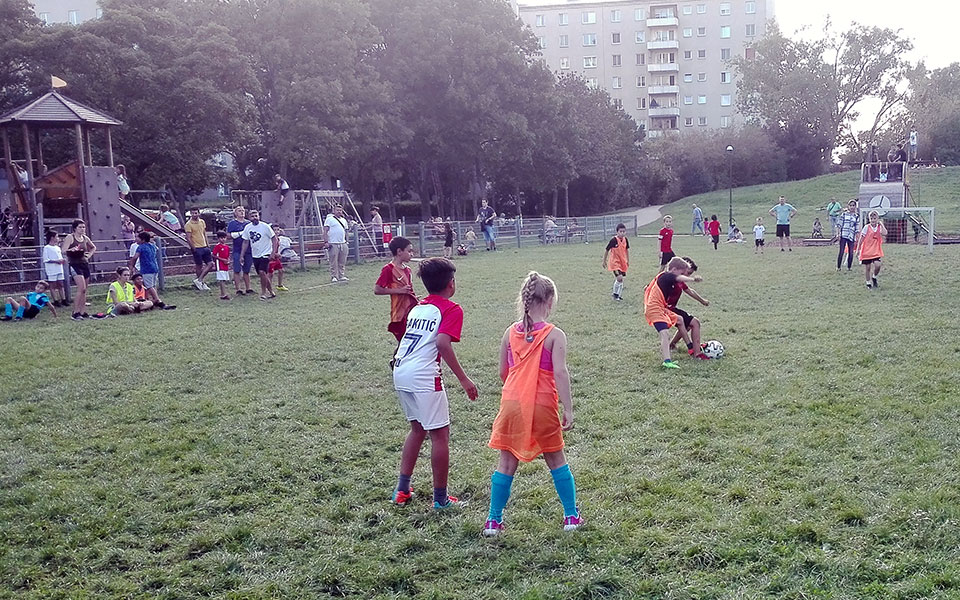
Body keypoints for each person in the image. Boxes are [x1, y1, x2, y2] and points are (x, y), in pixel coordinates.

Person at [483, 271, 582, 536]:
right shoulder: (554, 335)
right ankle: (571, 516)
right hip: (542, 405)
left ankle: (493, 520)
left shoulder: (509, 332)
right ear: (549, 301)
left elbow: (503, 372)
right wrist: (568, 408)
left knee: (505, 464)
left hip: (512, 404)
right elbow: (560, 373)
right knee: (556, 459)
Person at [390, 257, 478, 510]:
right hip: (423, 375)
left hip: (401, 371)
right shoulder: (451, 309)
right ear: (451, 284)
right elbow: (441, 343)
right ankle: (440, 500)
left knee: (417, 430)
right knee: (440, 435)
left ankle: (402, 490)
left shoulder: (418, 307)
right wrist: (464, 379)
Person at [643, 256, 702, 369]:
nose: (684, 275)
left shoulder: (665, 277)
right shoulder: (667, 276)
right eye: (682, 273)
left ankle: (690, 347)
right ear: (674, 269)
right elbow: (679, 278)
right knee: (665, 334)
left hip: (661, 308)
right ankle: (667, 361)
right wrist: (693, 279)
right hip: (654, 309)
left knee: (679, 319)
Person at [374, 236, 418, 342]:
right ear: (399, 251)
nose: (412, 254)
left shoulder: (408, 270)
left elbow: (408, 290)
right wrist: (399, 291)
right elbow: (377, 289)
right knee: (403, 343)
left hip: (411, 312)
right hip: (399, 314)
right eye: (409, 251)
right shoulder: (388, 269)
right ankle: (395, 359)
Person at [667, 257, 711, 360]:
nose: (687, 275)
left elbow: (689, 291)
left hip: (670, 308)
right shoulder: (670, 278)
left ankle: (672, 344)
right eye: (687, 272)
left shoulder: (679, 280)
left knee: (687, 325)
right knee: (695, 323)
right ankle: (697, 353)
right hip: (665, 309)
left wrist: (702, 301)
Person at [240, 209, 279, 300]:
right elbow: (245, 242)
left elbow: (274, 239)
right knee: (262, 274)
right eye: (253, 216)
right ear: (249, 218)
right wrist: (242, 255)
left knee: (262, 272)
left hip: (265, 253)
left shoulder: (265, 226)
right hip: (255, 254)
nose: (255, 218)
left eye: (256, 216)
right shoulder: (248, 228)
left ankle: (263, 293)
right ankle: (271, 291)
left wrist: (273, 252)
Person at [61, 219, 96, 321]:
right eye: (80, 227)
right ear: (75, 228)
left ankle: (82, 311)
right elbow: (63, 250)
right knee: (81, 288)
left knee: (85, 290)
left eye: (83, 227)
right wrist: (71, 250)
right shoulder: (70, 237)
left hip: (84, 263)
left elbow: (93, 247)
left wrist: (89, 255)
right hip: (74, 264)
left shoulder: (85, 238)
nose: (82, 229)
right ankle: (75, 312)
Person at [128, 231, 170, 309]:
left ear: (143, 239)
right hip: (155, 267)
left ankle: (158, 301)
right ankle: (152, 300)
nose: (136, 239)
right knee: (153, 285)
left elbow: (135, 257)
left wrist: (131, 265)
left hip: (146, 269)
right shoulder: (152, 246)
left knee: (149, 286)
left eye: (138, 237)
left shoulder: (141, 247)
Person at [226, 206, 253, 295]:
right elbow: (228, 236)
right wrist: (239, 234)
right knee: (237, 269)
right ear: (235, 213)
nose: (242, 212)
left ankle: (248, 288)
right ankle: (238, 289)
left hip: (248, 250)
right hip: (237, 249)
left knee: (247, 269)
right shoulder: (232, 223)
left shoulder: (249, 223)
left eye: (243, 211)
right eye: (239, 211)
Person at [184, 208, 213, 291]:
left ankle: (199, 280)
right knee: (199, 265)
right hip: (197, 247)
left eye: (195, 213)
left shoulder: (202, 222)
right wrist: (193, 248)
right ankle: (200, 282)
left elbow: (204, 233)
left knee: (210, 264)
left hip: (204, 246)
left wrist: (207, 244)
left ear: (199, 213)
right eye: (192, 213)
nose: (194, 215)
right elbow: (188, 237)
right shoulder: (188, 224)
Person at [857, 210, 887, 290]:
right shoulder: (866, 227)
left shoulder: (879, 227)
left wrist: (882, 224)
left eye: (875, 218)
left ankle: (874, 277)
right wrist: (858, 249)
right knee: (868, 267)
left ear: (877, 218)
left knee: (878, 265)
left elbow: (885, 233)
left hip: (876, 250)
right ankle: (868, 283)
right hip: (867, 250)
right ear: (869, 219)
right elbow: (861, 238)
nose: (873, 220)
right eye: (871, 218)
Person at [602, 223, 629, 301]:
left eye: (624, 231)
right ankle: (615, 294)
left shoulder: (625, 240)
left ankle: (618, 295)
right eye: (620, 231)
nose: (622, 233)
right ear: (617, 232)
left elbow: (627, 250)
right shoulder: (613, 240)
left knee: (621, 279)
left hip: (622, 262)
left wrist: (627, 260)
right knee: (619, 278)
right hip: (614, 263)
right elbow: (607, 250)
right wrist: (604, 261)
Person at [323, 204, 349, 283]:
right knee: (333, 260)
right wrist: (326, 241)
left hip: (342, 242)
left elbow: (346, 231)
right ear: (334, 211)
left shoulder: (344, 220)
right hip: (333, 243)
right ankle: (334, 276)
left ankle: (341, 275)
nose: (339, 212)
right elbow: (325, 231)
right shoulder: (329, 219)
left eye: (340, 210)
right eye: (337, 210)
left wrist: (347, 241)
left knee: (342, 260)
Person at [42, 230, 66, 307]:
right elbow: (46, 259)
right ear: (52, 238)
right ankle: (55, 300)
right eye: (57, 237)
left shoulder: (57, 248)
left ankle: (63, 299)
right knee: (52, 285)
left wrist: (62, 261)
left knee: (60, 284)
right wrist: (56, 261)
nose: (58, 238)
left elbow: (60, 257)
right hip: (52, 269)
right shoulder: (47, 248)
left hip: (59, 268)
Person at [835, 200, 860, 272]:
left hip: (851, 236)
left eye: (853, 205)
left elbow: (857, 228)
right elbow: (839, 225)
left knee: (851, 252)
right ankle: (838, 267)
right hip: (844, 235)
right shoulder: (844, 215)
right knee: (841, 251)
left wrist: (857, 238)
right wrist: (838, 234)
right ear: (848, 206)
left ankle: (849, 267)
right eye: (851, 205)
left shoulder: (856, 216)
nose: (852, 207)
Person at [269, 224, 290, 291]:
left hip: (276, 258)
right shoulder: (270, 239)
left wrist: (278, 254)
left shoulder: (278, 238)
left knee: (281, 271)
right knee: (270, 273)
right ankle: (269, 287)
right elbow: (268, 248)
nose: (276, 231)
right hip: (271, 257)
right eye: (274, 230)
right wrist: (274, 254)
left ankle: (280, 285)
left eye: (278, 230)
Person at [212, 230, 232, 300]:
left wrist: (228, 260)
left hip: (225, 264)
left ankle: (224, 293)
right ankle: (223, 294)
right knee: (221, 279)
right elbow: (214, 255)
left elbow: (228, 255)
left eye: (224, 238)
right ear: (218, 238)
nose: (223, 239)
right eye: (221, 238)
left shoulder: (227, 247)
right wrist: (222, 259)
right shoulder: (218, 246)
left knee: (224, 279)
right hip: (220, 264)